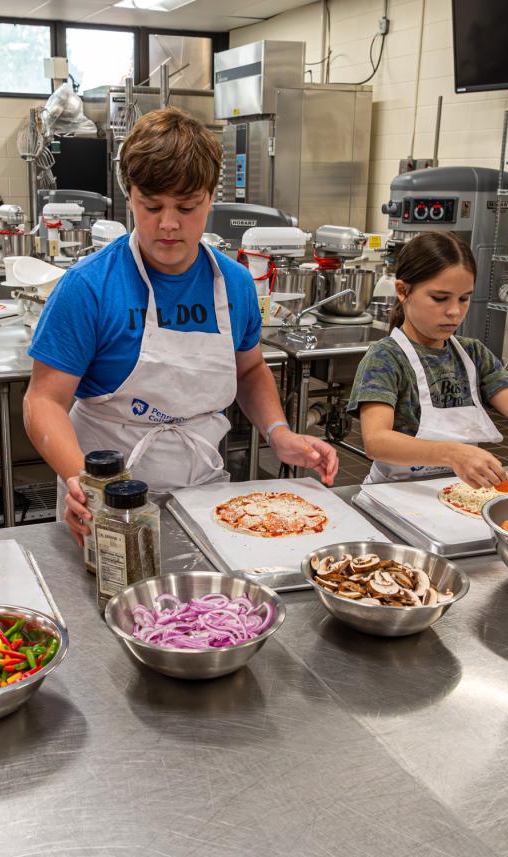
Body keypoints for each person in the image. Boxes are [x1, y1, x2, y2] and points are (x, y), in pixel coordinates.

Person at [23, 107, 338, 545]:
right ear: (129, 195)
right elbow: (43, 400)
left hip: (206, 493)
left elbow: (248, 370)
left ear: (210, 198)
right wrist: (82, 481)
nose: (168, 224)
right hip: (105, 502)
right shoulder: (89, 286)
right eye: (151, 206)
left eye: (187, 207)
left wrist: (278, 432)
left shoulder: (234, 283)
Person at [348, 232, 508, 487]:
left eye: (464, 298)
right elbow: (377, 442)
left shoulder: (473, 355)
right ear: (402, 290)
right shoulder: (385, 358)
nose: (454, 311)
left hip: (460, 491)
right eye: (440, 298)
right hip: (395, 493)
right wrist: (453, 454)